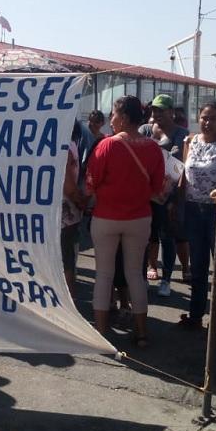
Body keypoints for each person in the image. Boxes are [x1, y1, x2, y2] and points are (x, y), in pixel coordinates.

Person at [85, 96, 164, 347]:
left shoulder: (105, 146)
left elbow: (91, 182)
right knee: (135, 275)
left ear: (125, 118)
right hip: (139, 218)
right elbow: (157, 187)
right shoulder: (153, 148)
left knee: (104, 275)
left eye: (114, 115)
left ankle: (101, 331)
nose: (111, 119)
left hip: (106, 217)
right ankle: (141, 333)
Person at [177, 100, 216, 329]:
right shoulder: (190, 141)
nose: (207, 122)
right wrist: (178, 206)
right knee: (198, 265)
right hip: (193, 210)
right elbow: (184, 173)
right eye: (204, 117)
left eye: (212, 118)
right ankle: (195, 315)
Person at [140, 94, 189, 297]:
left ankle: (166, 279)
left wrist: (176, 198)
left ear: (171, 112)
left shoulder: (182, 134)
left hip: (169, 195)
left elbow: (180, 163)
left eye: (161, 110)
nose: (157, 114)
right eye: (154, 110)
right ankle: (146, 273)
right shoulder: (145, 129)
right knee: (146, 235)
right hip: (145, 193)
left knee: (168, 236)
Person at [61, 122, 87, 301]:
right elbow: (69, 185)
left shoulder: (59, 146)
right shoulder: (70, 146)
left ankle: (65, 301)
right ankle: (69, 301)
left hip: (58, 213)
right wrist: (81, 202)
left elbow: (67, 185)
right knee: (67, 259)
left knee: (61, 259)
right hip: (68, 213)